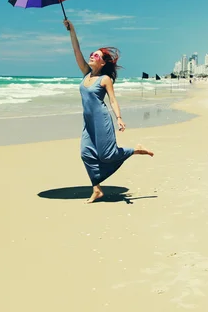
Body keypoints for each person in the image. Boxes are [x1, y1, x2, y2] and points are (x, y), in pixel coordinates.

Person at [64, 19, 154, 203]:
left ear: (104, 63)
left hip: (101, 120)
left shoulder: (105, 79)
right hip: (88, 122)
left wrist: (119, 118)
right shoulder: (86, 74)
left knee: (107, 155)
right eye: (92, 54)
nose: (92, 57)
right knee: (85, 153)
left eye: (96, 56)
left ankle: (135, 150)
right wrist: (71, 30)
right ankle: (96, 189)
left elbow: (112, 99)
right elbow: (76, 51)